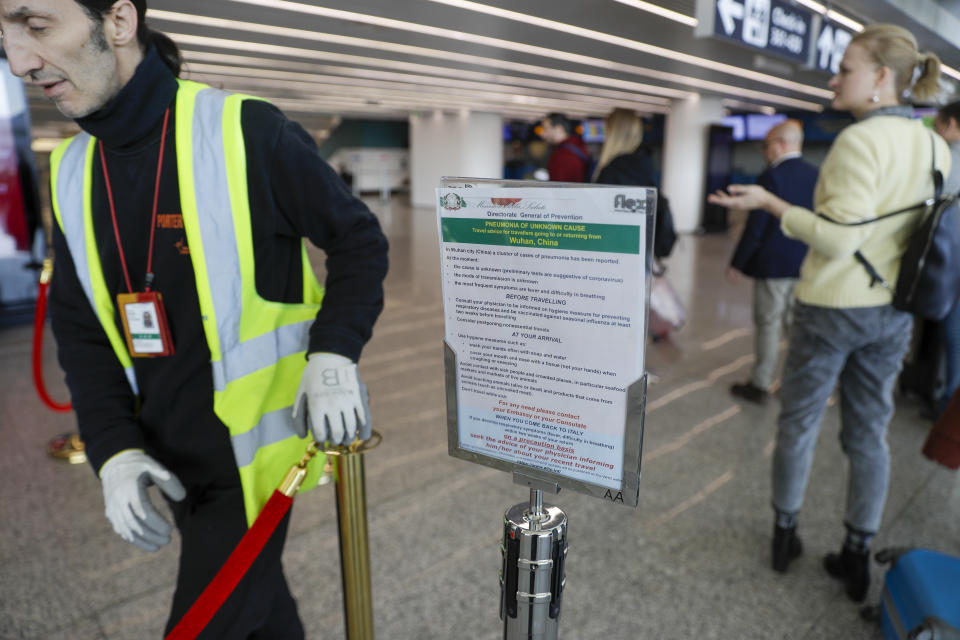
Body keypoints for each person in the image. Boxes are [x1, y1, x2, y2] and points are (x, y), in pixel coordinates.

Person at [0, 0, 388, 636]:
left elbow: (358, 241)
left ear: (119, 22)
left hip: (256, 454)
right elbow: (81, 330)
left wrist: (335, 351)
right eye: (6, 35)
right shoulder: (71, 170)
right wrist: (114, 450)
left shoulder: (243, 130)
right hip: (166, 452)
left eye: (36, 26)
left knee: (205, 621)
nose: (18, 61)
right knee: (261, 612)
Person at [708, 24, 950, 602]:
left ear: (881, 79)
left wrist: (771, 203)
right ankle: (857, 550)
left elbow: (838, 238)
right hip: (893, 311)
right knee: (870, 434)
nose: (834, 78)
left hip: (832, 306)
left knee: (799, 423)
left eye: (845, 68)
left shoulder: (859, 142)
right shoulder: (936, 145)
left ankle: (785, 534)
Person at [726, 120, 818, 405]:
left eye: (766, 146)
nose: (765, 152)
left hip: (773, 265)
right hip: (805, 263)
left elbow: (757, 226)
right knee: (796, 327)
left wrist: (738, 263)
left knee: (768, 324)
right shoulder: (817, 174)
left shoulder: (771, 177)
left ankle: (760, 382)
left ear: (780, 145)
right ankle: (796, 385)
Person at [593, 108, 676, 261]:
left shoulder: (612, 170)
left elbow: (600, 218)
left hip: (615, 252)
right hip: (641, 249)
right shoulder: (644, 163)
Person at [933, 100, 960, 417]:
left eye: (938, 124)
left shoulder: (949, 161)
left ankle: (947, 410)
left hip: (951, 264)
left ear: (951, 124)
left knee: (954, 337)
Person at [539, 112, 591, 182]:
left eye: (546, 129)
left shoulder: (563, 155)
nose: (543, 134)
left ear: (559, 129)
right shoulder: (577, 147)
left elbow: (558, 187)